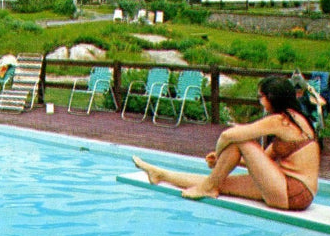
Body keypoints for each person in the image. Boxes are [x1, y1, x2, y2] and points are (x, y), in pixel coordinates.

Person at [132, 76, 319, 211]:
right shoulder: (294, 120)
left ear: (272, 97)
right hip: (290, 190)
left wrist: (220, 153)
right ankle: (161, 174)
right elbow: (265, 160)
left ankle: (208, 188)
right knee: (222, 181)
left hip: (293, 192)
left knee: (240, 141)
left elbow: (229, 135)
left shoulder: (281, 120)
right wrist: (230, 161)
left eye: (261, 96)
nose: (259, 101)